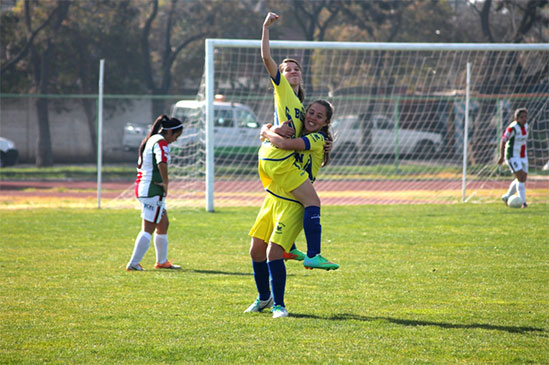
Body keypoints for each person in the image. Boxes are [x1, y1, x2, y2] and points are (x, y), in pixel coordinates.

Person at [259, 12, 338, 270]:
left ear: (301, 75)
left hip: (278, 159)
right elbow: (266, 58)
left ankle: (290, 247)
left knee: (292, 204)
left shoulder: (302, 108)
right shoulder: (282, 89)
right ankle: (313, 254)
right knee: (312, 201)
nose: (291, 71)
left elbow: (309, 134)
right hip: (276, 158)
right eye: (287, 69)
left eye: (296, 69)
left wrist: (326, 143)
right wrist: (266, 28)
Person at [245, 100, 336, 318]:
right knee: (255, 251)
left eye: (319, 116)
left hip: (294, 203)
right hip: (272, 199)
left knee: (273, 253)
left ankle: (279, 305)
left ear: (326, 122)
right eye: (310, 112)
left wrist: (266, 132)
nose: (312, 117)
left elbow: (284, 145)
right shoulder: (294, 130)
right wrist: (268, 129)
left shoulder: (317, 138)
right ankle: (263, 297)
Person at [126, 115, 184, 271]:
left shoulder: (152, 139)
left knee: (163, 223)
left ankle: (162, 261)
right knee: (148, 228)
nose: (176, 140)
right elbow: (162, 163)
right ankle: (133, 263)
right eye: (176, 136)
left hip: (145, 188)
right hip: (152, 190)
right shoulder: (160, 142)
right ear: (170, 132)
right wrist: (166, 183)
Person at [498, 108, 529, 208]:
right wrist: (502, 156)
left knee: (523, 178)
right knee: (520, 178)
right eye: (521, 117)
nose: (524, 119)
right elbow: (503, 141)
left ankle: (507, 196)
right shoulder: (512, 128)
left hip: (523, 156)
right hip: (512, 156)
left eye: (525, 117)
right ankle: (523, 203)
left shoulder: (526, 126)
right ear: (516, 118)